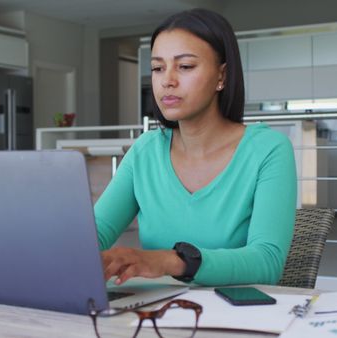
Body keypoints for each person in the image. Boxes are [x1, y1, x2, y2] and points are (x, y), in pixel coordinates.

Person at [94, 8, 297, 286]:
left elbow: (267, 262)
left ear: (221, 76)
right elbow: (94, 233)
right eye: (157, 68)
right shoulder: (145, 151)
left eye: (185, 66)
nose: (167, 80)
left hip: (232, 319)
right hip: (152, 315)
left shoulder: (269, 150)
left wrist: (170, 261)